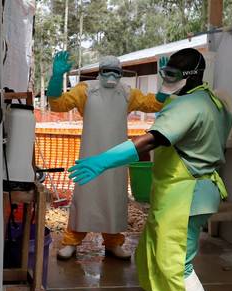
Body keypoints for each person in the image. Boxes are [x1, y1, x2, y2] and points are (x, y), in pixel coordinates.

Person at [68, 48, 232, 291]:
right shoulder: (210, 101)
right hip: (173, 193)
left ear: (191, 76)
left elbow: (152, 139)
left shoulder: (191, 105)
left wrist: (104, 160)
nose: (166, 80)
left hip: (188, 194)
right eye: (164, 73)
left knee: (175, 261)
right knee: (154, 254)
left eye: (172, 75)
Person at [47, 52, 167, 260]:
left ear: (121, 73)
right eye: (107, 71)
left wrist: (166, 86)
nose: (112, 75)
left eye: (116, 71)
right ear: (99, 72)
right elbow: (58, 103)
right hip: (90, 155)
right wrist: (56, 77)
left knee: (114, 198)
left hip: (116, 157)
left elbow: (153, 104)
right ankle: (72, 240)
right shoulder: (86, 90)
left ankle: (113, 242)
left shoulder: (127, 93)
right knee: (85, 196)